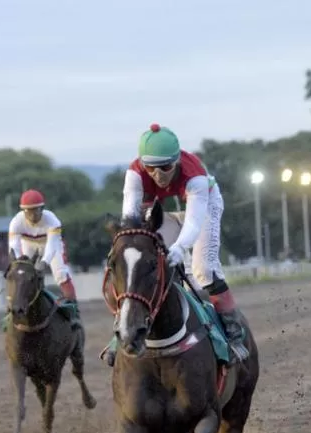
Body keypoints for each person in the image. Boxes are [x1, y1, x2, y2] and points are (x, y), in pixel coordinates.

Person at [103, 122, 250, 366]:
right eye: (151, 167)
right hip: (163, 211)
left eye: (166, 167)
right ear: (142, 164)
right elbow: (130, 221)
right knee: (141, 264)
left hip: (203, 207)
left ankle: (233, 330)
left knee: (203, 270)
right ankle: (123, 327)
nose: (158, 175)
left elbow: (192, 222)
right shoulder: (134, 174)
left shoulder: (195, 175)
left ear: (177, 161)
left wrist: (180, 249)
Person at [6, 189, 81, 328]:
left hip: (50, 244)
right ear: (23, 211)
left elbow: (52, 245)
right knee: (22, 276)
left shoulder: (52, 220)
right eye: (28, 211)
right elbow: (14, 247)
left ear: (42, 208)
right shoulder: (16, 222)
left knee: (60, 273)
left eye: (36, 210)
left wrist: (44, 262)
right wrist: (17, 264)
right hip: (28, 244)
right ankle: (15, 306)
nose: (32, 215)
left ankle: (74, 312)